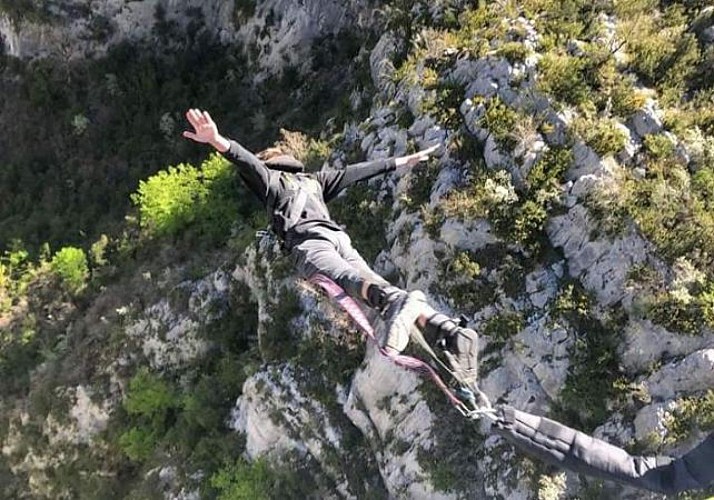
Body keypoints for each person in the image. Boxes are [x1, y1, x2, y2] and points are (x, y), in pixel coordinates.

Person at [182, 109, 478, 384]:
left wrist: (217, 140)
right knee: (369, 282)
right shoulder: (314, 181)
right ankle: (449, 331)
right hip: (339, 239)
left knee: (347, 281)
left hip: (310, 244)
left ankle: (394, 303)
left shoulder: (272, 181)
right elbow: (358, 171)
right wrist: (402, 161)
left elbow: (246, 162)